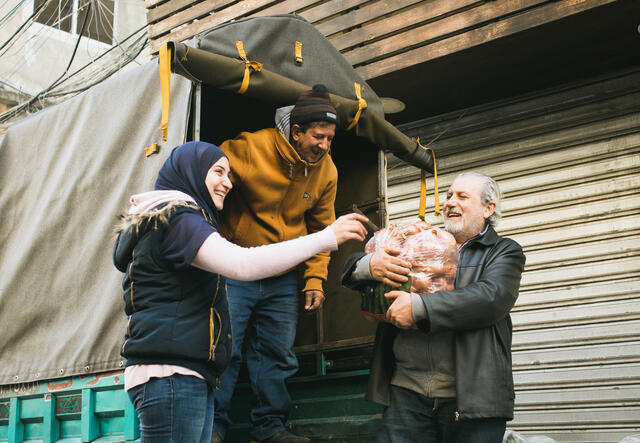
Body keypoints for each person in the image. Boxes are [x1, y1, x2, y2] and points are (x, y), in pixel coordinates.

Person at [113, 141, 367, 443]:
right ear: (192, 173)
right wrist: (324, 238)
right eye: (218, 172)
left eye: (229, 173)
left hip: (180, 373)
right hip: (171, 375)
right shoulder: (178, 219)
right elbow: (243, 264)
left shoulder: (170, 220)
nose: (228, 182)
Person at [342, 172, 526, 443]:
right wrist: (369, 266)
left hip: (469, 398)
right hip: (406, 392)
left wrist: (419, 306)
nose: (450, 202)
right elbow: (350, 271)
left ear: (489, 208)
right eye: (449, 195)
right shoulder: (422, 241)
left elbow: (491, 297)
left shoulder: (504, 251)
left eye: (462, 196)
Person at [212, 84, 340, 443]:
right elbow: (209, 183)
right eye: (319, 136)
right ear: (296, 132)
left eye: (330, 138)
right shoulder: (250, 148)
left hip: (283, 275)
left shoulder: (326, 170)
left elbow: (322, 229)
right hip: (236, 266)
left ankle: (270, 428)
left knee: (277, 354)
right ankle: (213, 428)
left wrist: (315, 278)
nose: (325, 146)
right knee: (225, 348)